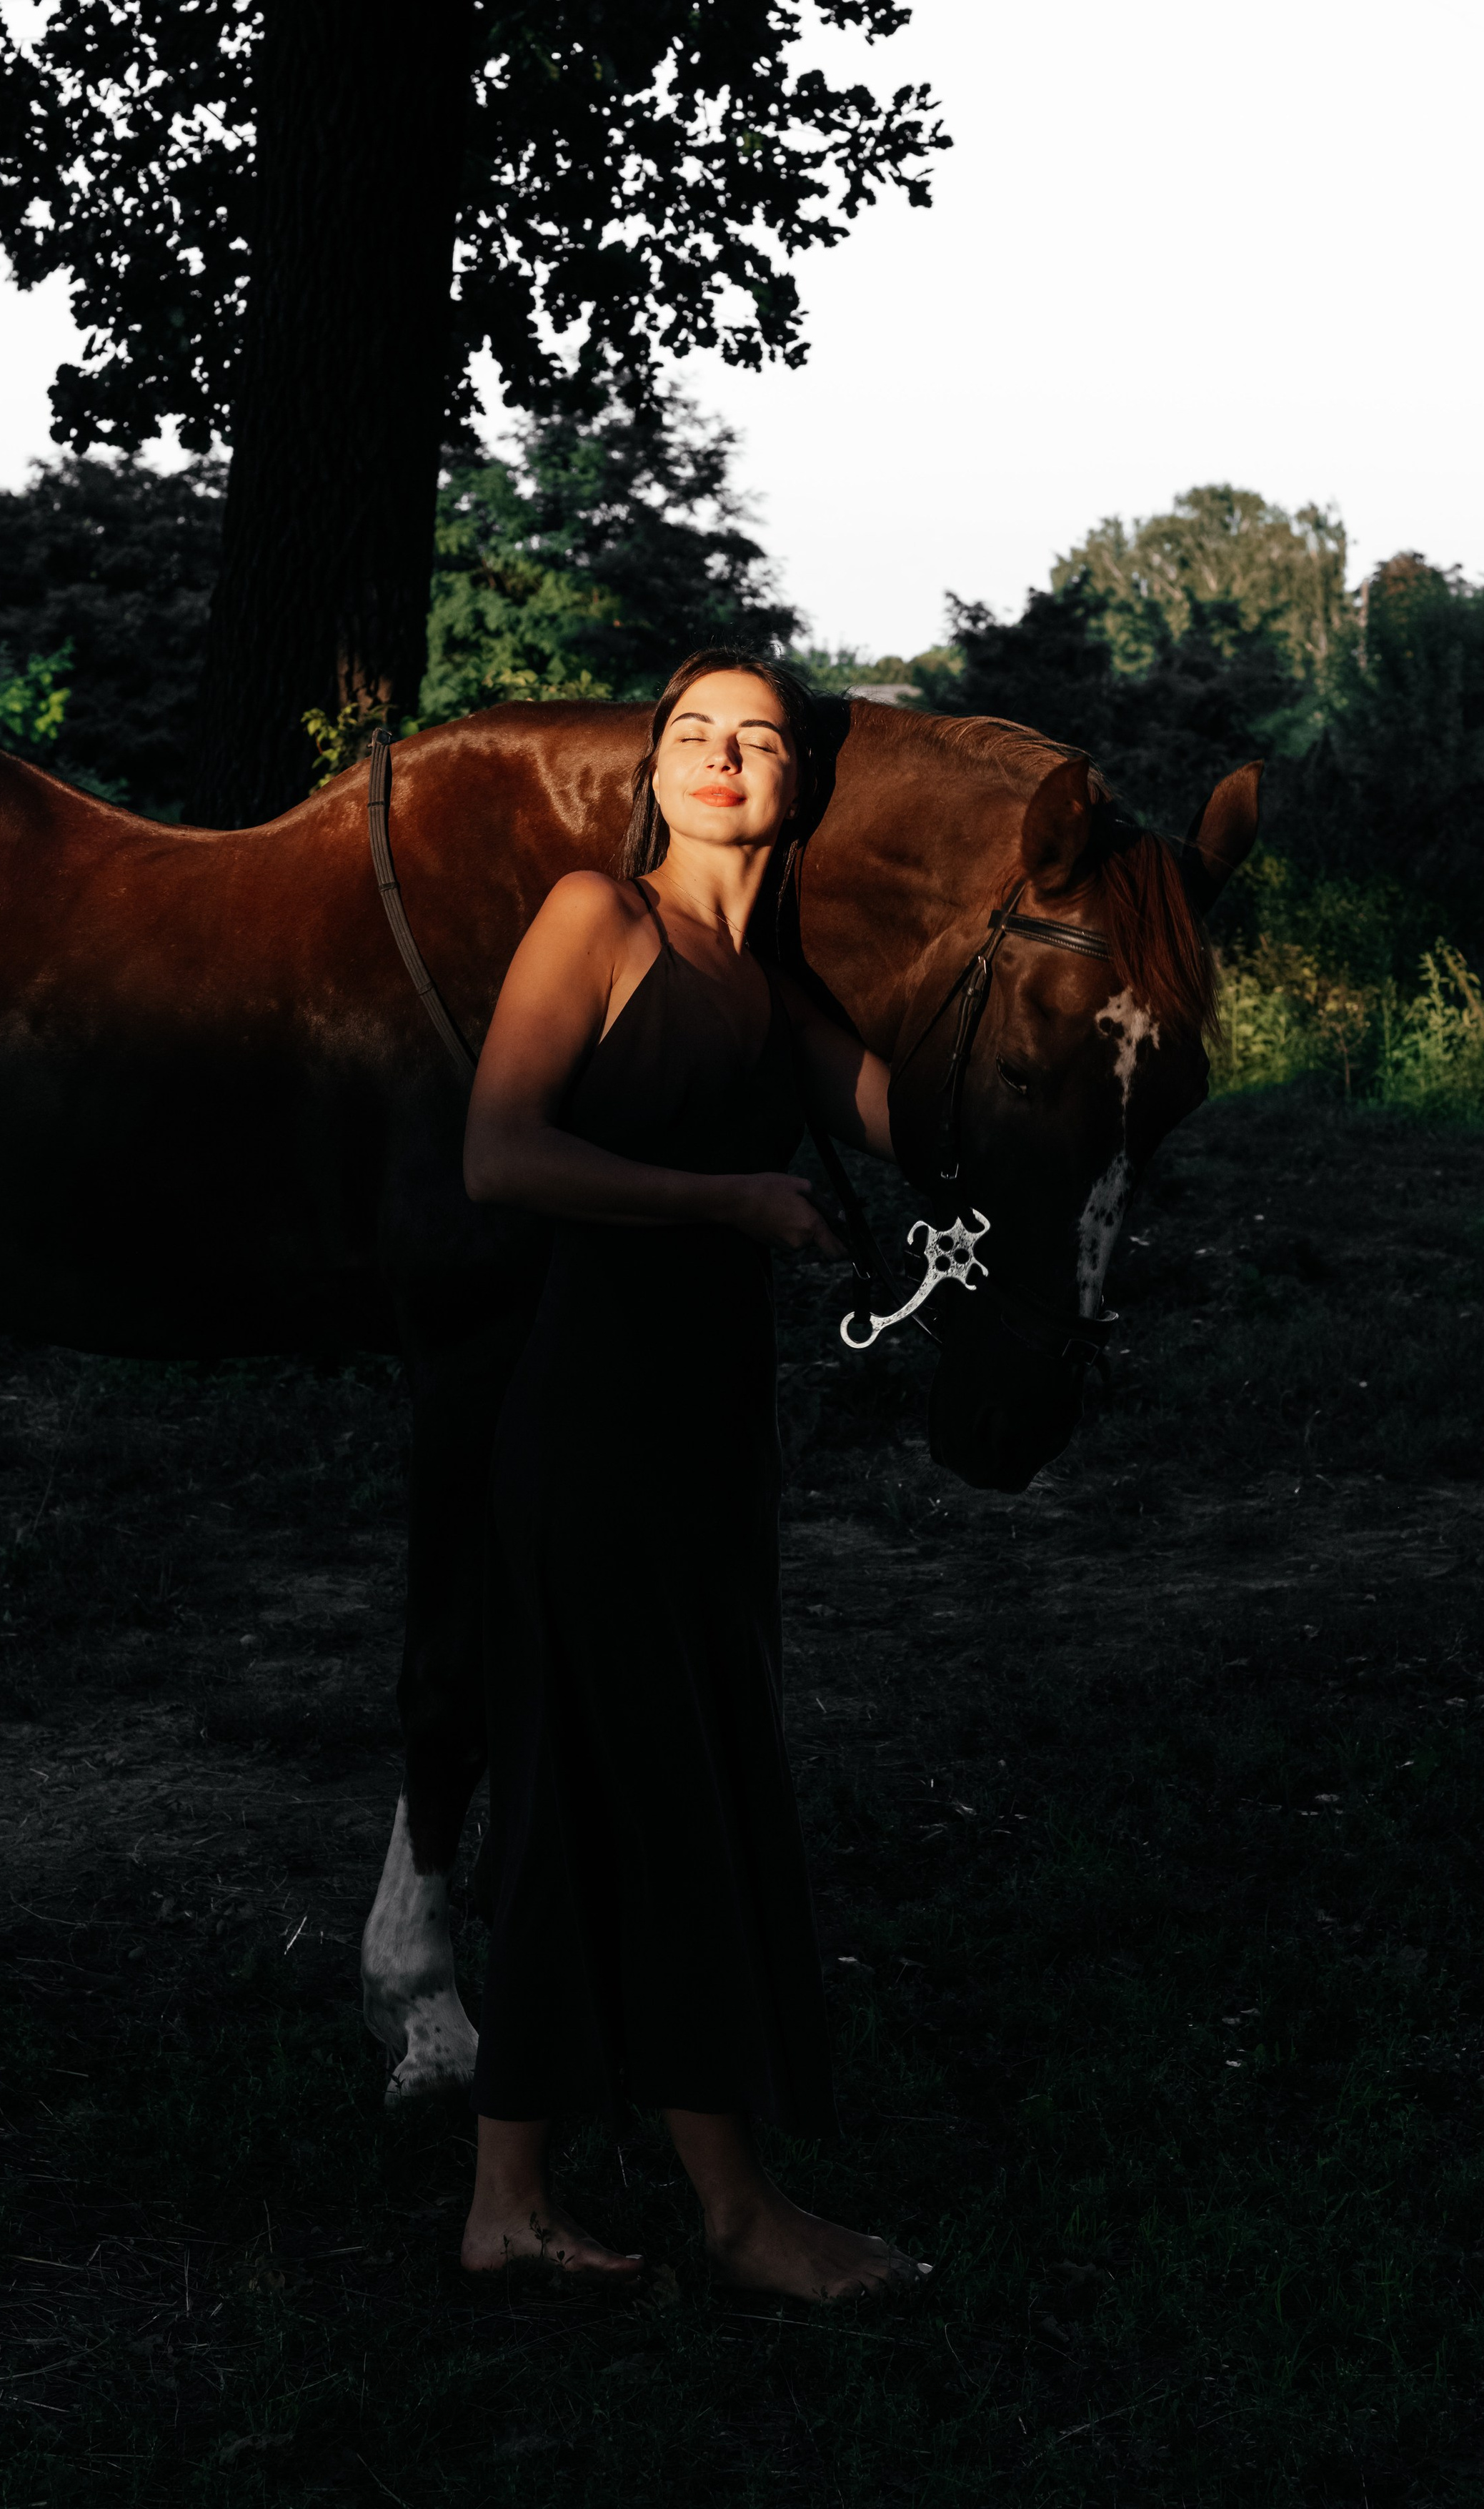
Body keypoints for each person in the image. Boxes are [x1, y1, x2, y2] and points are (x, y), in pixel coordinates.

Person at [457, 650, 926, 2299]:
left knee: (620, 1780)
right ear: (648, 767)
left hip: (711, 1431)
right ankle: (734, 2211)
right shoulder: (601, 920)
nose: (718, 757)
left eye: (756, 739)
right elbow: (498, 1149)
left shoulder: (770, 988)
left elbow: (907, 1125)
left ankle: (504, 2201)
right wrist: (730, 1203)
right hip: (590, 1416)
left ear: (796, 783)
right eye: (689, 733)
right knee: (649, 1780)